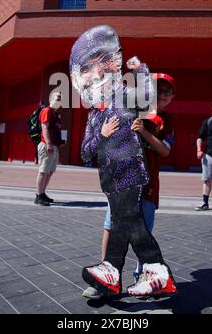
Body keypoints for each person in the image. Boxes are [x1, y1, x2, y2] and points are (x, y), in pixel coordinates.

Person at [70, 25, 177, 299]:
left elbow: (146, 94)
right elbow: (85, 152)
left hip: (131, 173)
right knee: (123, 222)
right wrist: (102, 137)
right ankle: (114, 271)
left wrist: (140, 68)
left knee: (128, 219)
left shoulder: (124, 99)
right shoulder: (94, 117)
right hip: (110, 179)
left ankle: (152, 270)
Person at [34, 91, 64, 206]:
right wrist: (49, 143)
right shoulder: (46, 111)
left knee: (50, 171)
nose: (59, 100)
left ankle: (43, 193)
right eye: (57, 98)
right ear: (51, 99)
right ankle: (39, 196)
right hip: (47, 145)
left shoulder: (55, 114)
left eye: (60, 99)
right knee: (43, 171)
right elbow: (44, 128)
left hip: (54, 146)